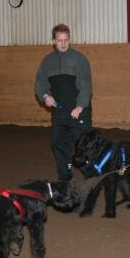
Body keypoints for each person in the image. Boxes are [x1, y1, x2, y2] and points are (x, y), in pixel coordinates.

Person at [35, 24, 93, 183]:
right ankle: (65, 178)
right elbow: (40, 83)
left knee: (84, 148)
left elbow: (86, 86)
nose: (63, 43)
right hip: (59, 114)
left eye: (66, 40)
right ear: (53, 41)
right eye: (59, 40)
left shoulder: (79, 60)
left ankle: (91, 179)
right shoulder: (47, 62)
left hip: (79, 113)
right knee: (58, 144)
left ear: (69, 39)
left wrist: (80, 106)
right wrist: (45, 96)